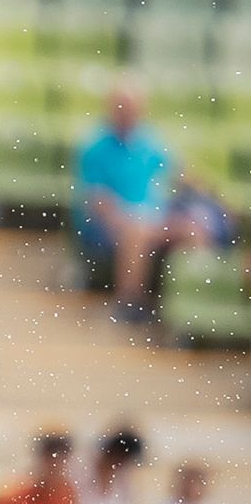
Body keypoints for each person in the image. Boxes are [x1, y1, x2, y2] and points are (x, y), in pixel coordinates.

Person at [73, 84, 210, 324]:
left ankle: (189, 306)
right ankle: (129, 301)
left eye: (132, 107)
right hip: (109, 224)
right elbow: (97, 200)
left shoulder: (150, 141)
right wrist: (127, 221)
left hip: (151, 220)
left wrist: (208, 193)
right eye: (121, 107)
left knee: (193, 229)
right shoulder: (95, 146)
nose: (127, 113)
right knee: (136, 232)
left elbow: (178, 172)